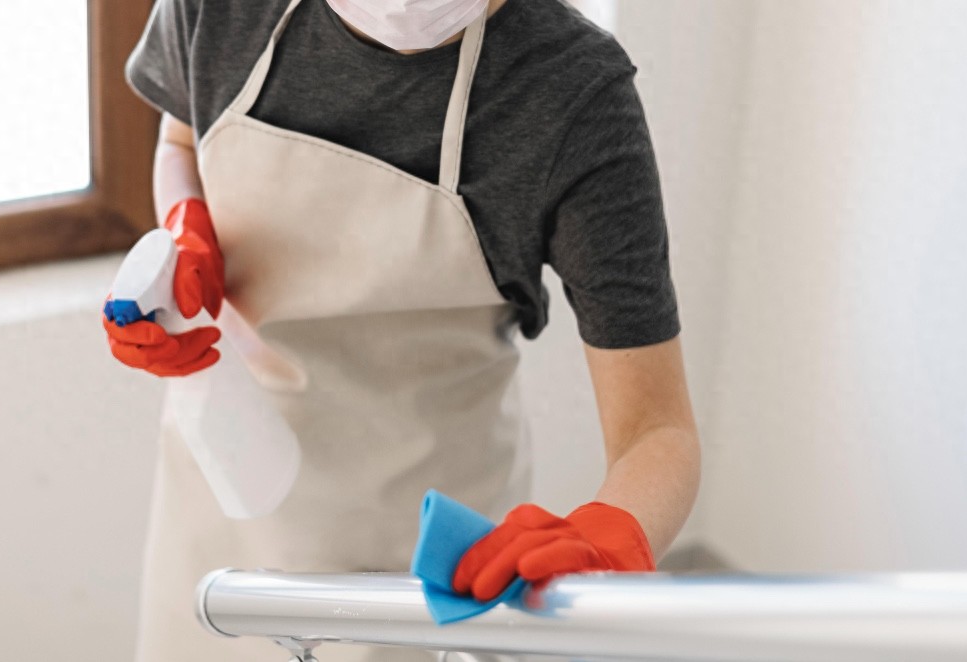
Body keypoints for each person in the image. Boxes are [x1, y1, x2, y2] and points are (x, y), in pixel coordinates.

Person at [105, 0, 700, 660]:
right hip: (228, 493)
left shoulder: (571, 94)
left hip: (424, 549)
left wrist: (611, 536)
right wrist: (184, 226)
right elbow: (179, 140)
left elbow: (657, 430)